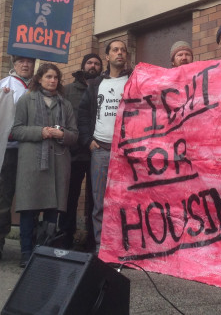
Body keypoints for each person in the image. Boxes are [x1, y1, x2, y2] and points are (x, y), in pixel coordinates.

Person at [11, 63, 78, 267]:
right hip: (32, 163)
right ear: (39, 79)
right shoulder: (26, 100)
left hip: (58, 163)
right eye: (48, 76)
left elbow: (74, 135)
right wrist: (40, 132)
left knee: (52, 210)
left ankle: (44, 253)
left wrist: (62, 134)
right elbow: (16, 130)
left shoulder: (65, 104)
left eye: (56, 77)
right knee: (28, 209)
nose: (52, 80)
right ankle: (26, 252)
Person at [77, 39, 133, 251]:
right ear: (107, 57)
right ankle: (102, 248)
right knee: (99, 202)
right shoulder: (95, 85)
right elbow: (83, 114)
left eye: (123, 50)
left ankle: (123, 247)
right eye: (115, 50)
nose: (120, 53)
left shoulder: (133, 81)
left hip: (125, 152)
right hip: (100, 150)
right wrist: (88, 141)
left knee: (125, 200)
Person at [0, 55, 36, 262]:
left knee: (31, 198)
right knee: (3, 196)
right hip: (9, 149)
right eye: (21, 61)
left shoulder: (39, 85)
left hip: (32, 148)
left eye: (29, 61)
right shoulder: (5, 84)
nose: (25, 64)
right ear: (14, 64)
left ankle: (29, 245)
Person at [60, 53, 102, 251]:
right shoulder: (68, 90)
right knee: (70, 197)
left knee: (96, 198)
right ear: (83, 66)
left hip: (97, 151)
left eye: (97, 63)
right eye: (89, 62)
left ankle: (93, 242)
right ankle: (65, 238)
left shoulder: (104, 87)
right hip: (74, 152)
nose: (93, 66)